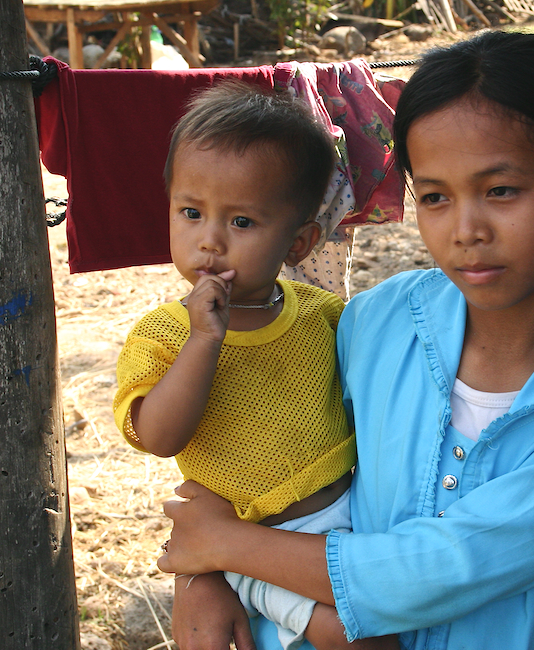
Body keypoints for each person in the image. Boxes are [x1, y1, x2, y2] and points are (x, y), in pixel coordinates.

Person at [156, 30, 534, 650]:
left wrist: (221, 548)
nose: (466, 230)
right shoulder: (373, 322)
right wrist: (201, 578)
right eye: (434, 197)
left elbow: (444, 567)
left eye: (501, 191)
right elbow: (253, 452)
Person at [113, 82, 398, 650]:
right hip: (244, 542)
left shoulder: (324, 316)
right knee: (358, 638)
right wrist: (202, 342)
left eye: (241, 222)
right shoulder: (165, 334)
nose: (210, 243)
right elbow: (159, 436)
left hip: (347, 521)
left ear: (299, 243)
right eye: (191, 213)